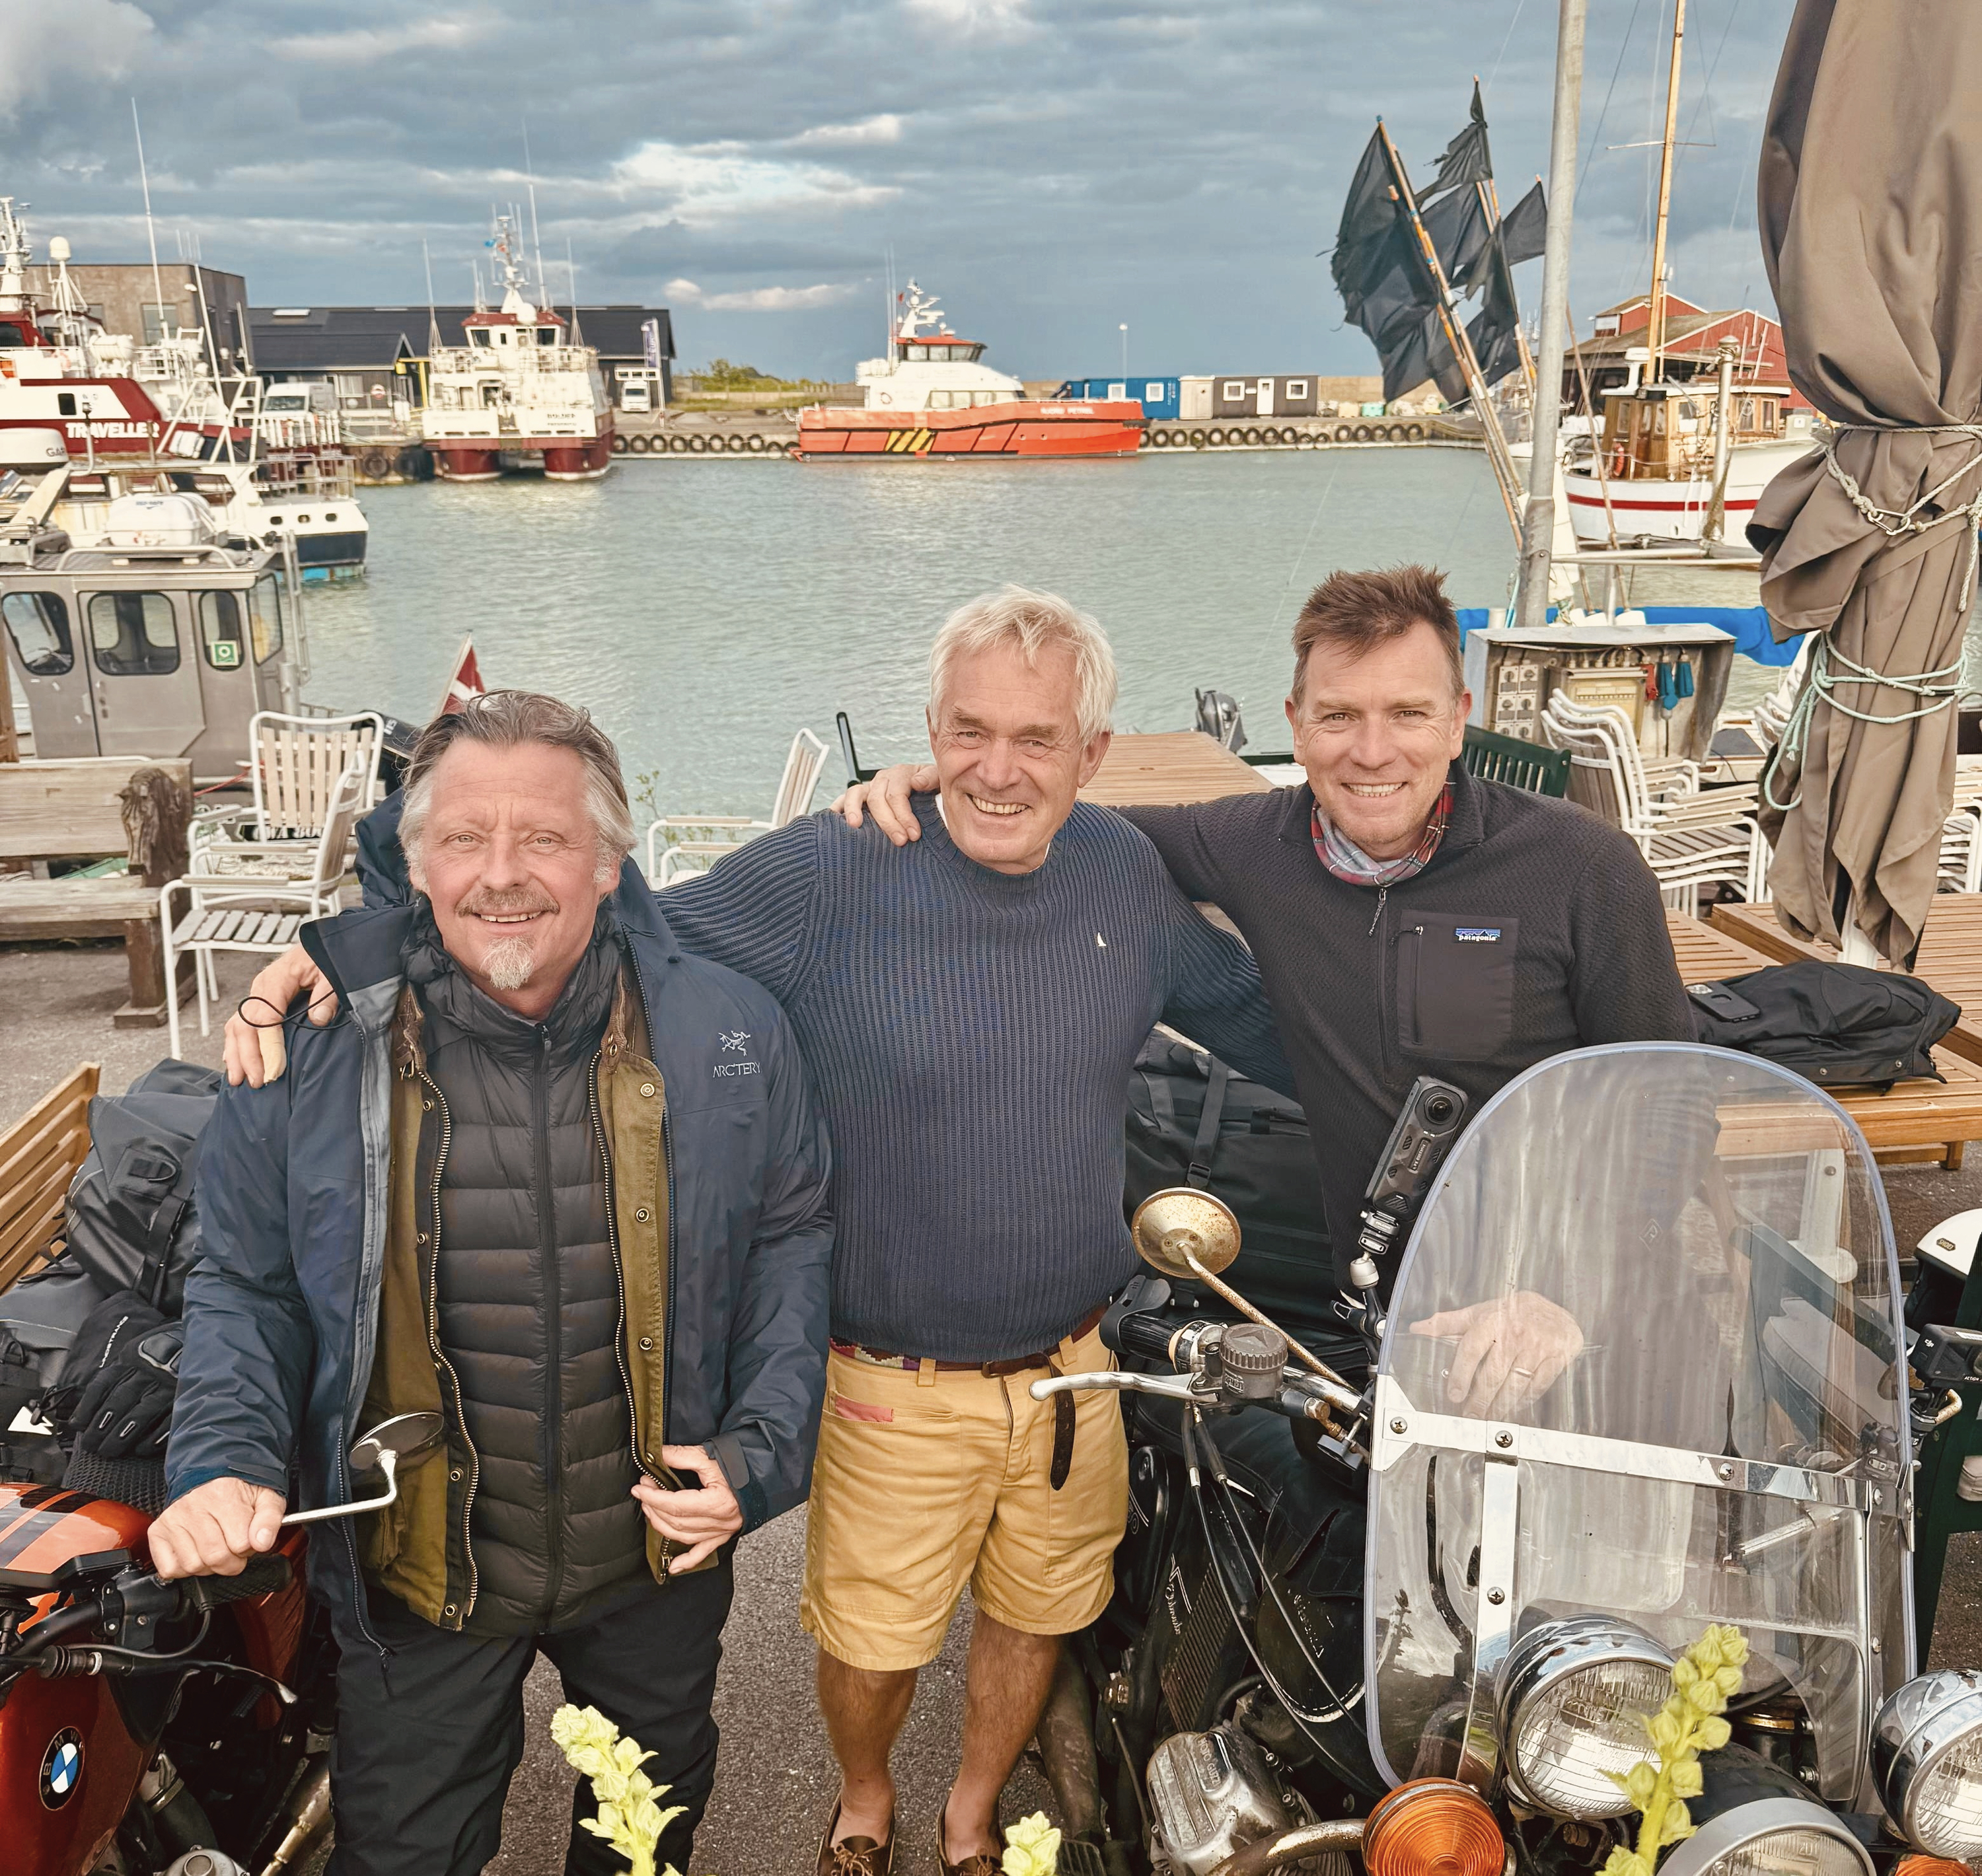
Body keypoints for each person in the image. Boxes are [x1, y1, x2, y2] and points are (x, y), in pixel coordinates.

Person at [221, 589, 1297, 1876]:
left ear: (1093, 753)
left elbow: (1263, 1016)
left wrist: (1457, 1071)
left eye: (1037, 738)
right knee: (873, 1640)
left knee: (1038, 1615)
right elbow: (603, 925)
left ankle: (971, 1806)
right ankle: (859, 1796)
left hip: (1076, 1370)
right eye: (970, 731)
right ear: (932, 729)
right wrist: (359, 947)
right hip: (896, 1377)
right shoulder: (833, 868)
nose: (998, 768)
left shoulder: (1124, 871)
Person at [154, 692, 832, 1876]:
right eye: (464, 839)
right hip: (417, 1575)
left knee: (641, 1851)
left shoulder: (730, 1031)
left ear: (612, 860)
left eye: (546, 838)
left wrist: (762, 1451)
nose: (501, 875)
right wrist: (220, 1463)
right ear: (415, 863)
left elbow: (789, 1237)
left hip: (653, 1571)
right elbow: (244, 1286)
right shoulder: (309, 1049)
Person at [836, 565, 1699, 1414]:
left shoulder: (1584, 868)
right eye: (1337, 716)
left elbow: (1673, 1113)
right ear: (1295, 721)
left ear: (1459, 720)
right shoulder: (1254, 844)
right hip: (1403, 1320)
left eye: (1407, 713)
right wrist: (951, 790)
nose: (1371, 751)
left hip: (1577, 1322)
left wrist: (1568, 1298)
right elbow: (1068, 821)